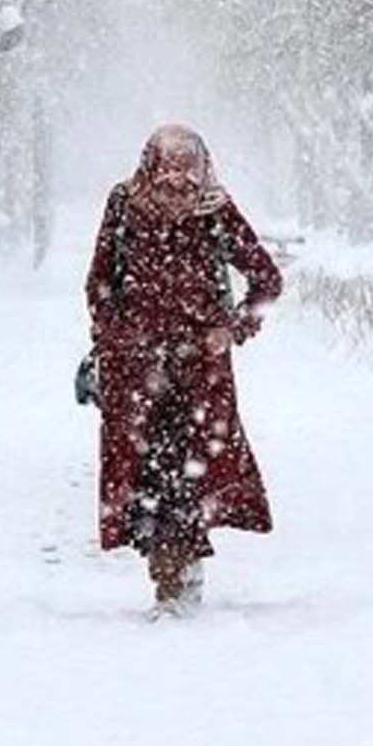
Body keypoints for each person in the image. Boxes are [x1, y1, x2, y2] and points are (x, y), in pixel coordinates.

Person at [85, 124, 283, 616]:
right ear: (149, 168)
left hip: (200, 374)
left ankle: (177, 576)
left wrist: (232, 329)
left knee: (186, 474)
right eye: (166, 179)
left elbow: (266, 280)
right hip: (136, 372)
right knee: (147, 475)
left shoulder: (216, 211)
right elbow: (99, 281)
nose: (176, 191)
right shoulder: (123, 205)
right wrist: (115, 336)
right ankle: (169, 572)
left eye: (186, 182)